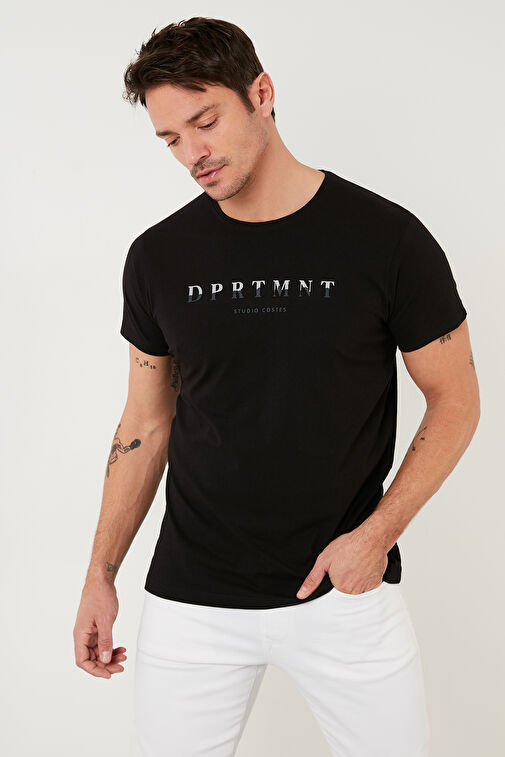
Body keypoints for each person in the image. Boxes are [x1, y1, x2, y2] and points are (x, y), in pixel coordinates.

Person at [73, 16, 480, 757]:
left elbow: (456, 399)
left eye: (205, 122)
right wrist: (100, 575)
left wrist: (376, 537)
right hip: (192, 601)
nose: (192, 154)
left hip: (345, 591)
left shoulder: (386, 238)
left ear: (261, 93)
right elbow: (145, 423)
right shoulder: (158, 257)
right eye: (170, 139)